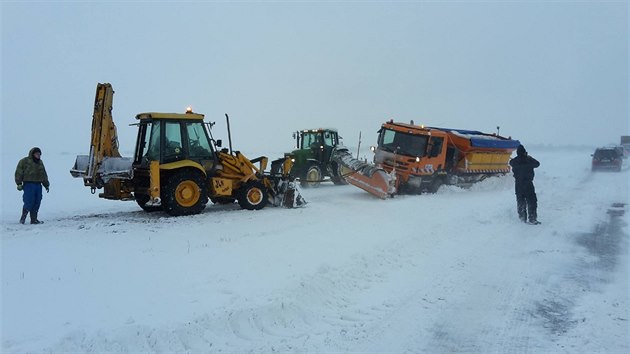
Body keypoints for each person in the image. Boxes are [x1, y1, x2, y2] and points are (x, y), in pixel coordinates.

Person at [15, 147, 50, 224]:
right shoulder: (24, 161)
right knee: (29, 201)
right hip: (29, 184)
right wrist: (19, 183)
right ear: (32, 154)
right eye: (37, 154)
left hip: (38, 185)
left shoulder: (40, 162)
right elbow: (19, 172)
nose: (38, 155)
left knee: (37, 201)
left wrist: (46, 184)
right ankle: (23, 218)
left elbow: (43, 174)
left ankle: (34, 219)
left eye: (39, 154)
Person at [509, 144, 540, 224]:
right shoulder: (528, 160)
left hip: (518, 185)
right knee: (532, 201)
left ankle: (522, 218)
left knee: (520, 201)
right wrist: (528, 156)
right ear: (524, 152)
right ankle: (532, 219)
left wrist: (518, 158)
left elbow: (511, 162)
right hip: (528, 184)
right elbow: (537, 164)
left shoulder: (514, 161)